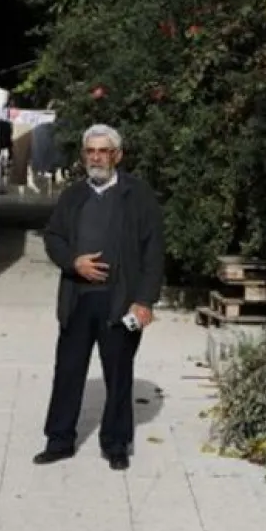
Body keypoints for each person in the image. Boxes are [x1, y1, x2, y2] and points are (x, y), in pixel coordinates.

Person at [36, 124, 165, 471]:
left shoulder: (138, 195)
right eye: (90, 151)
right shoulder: (73, 195)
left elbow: (154, 251)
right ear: (83, 156)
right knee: (68, 371)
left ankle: (116, 444)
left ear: (117, 155)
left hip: (119, 302)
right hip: (77, 300)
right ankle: (59, 440)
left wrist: (145, 301)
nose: (96, 158)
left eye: (103, 151)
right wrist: (73, 262)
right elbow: (53, 237)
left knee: (119, 375)